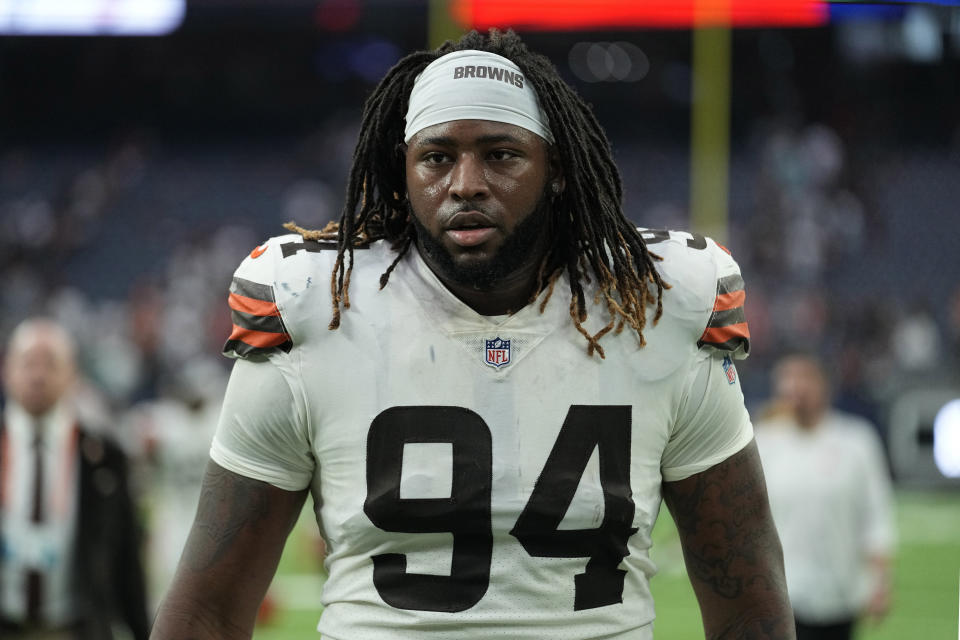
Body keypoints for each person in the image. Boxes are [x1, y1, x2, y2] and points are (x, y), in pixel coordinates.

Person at [152, 29, 793, 639]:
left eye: (501, 154)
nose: (464, 184)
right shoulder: (320, 313)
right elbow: (207, 613)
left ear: (559, 168)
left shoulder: (653, 309)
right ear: (401, 174)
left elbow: (750, 610)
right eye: (436, 157)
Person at [0, 318, 150, 639]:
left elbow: (127, 559)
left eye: (51, 364)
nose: (38, 375)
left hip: (76, 629)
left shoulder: (103, 455)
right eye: (28, 363)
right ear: (7, 371)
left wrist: (141, 629)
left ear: (72, 375)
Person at [755, 353, 896, 640]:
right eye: (788, 378)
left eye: (804, 377)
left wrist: (880, 582)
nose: (796, 387)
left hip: (840, 594)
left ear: (824, 385)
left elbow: (876, 514)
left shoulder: (857, 441)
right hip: (782, 595)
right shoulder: (763, 441)